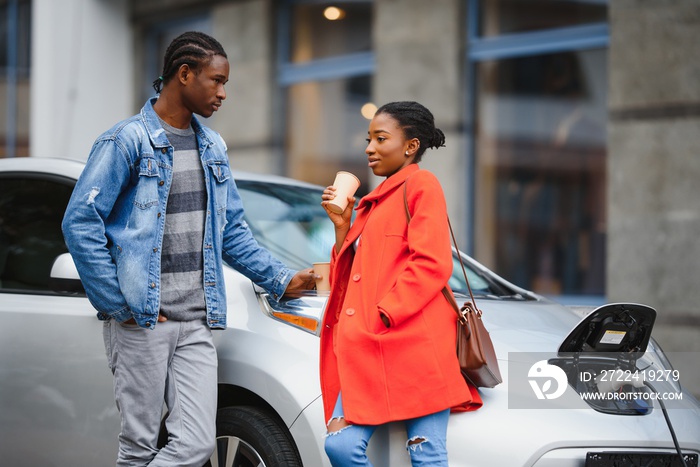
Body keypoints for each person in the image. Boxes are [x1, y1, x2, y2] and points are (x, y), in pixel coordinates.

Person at [61, 31, 317, 467]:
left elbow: (231, 231)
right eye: (216, 81)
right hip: (142, 320)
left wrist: (279, 278)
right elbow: (80, 222)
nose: (222, 93)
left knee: (197, 445)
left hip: (196, 321)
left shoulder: (212, 146)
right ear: (184, 74)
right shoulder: (126, 141)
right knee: (138, 447)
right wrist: (118, 303)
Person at [319, 101, 483, 466]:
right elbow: (349, 280)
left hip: (415, 346)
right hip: (370, 347)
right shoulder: (372, 202)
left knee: (426, 455)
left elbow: (432, 263)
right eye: (368, 139)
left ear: (410, 146)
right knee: (341, 446)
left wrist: (384, 314)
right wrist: (342, 226)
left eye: (380, 138)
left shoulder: (422, 184)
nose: (369, 148)